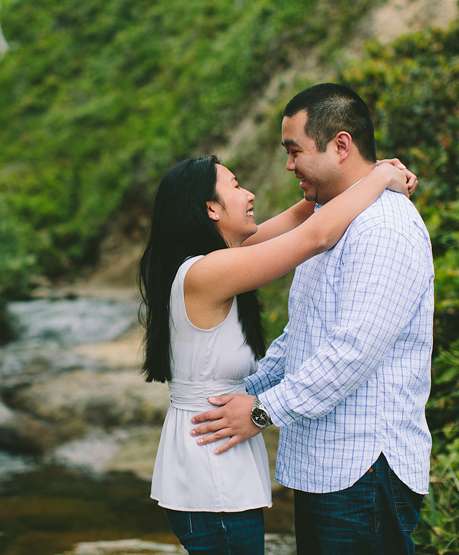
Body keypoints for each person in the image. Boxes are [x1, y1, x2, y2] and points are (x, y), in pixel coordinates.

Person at [190, 83, 435, 555]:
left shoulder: (384, 226)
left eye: (294, 150)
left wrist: (261, 412)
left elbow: (352, 351)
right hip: (326, 463)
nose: (288, 164)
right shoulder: (333, 219)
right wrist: (247, 393)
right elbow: (302, 336)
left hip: (364, 465)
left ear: (340, 145)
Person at [139, 150, 417, 554]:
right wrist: (379, 179)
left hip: (212, 455)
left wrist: (360, 175)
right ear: (211, 209)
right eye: (236, 186)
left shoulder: (216, 261)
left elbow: (301, 217)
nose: (249, 193)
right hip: (211, 469)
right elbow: (314, 237)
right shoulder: (207, 273)